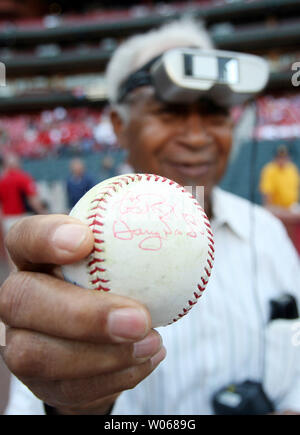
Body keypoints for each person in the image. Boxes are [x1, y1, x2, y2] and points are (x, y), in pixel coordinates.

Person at [1, 20, 299, 415]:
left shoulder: (268, 233)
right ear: (119, 126)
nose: (196, 136)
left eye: (214, 113)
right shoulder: (74, 250)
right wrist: (70, 406)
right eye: (170, 111)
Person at [0, 154, 46, 235]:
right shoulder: (23, 177)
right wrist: (44, 214)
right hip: (22, 219)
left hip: (7, 220)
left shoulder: (2, 180)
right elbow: (33, 200)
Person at [260, 145, 300, 211]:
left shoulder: (292, 168)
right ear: (275, 158)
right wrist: (270, 208)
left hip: (292, 206)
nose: (282, 160)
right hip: (277, 208)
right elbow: (267, 192)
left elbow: (297, 186)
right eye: (280, 157)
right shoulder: (270, 170)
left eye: (285, 157)